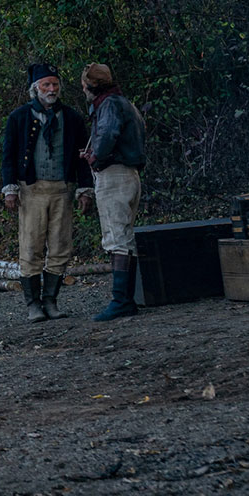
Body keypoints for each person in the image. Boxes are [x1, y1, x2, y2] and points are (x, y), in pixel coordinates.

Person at [1, 62, 94, 321]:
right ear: (36, 88)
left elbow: (81, 157)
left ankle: (51, 301)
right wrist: (10, 190)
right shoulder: (18, 118)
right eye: (46, 85)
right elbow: (8, 156)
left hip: (62, 190)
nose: (52, 89)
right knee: (31, 247)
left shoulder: (72, 118)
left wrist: (85, 190)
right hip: (31, 190)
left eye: (55, 84)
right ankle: (33, 304)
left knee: (60, 245)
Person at [81, 64, 145, 321]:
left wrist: (95, 158)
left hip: (115, 176)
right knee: (124, 236)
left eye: (84, 86)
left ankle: (122, 301)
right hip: (128, 174)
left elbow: (107, 134)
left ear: (91, 86)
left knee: (117, 237)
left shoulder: (108, 105)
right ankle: (124, 299)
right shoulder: (123, 102)